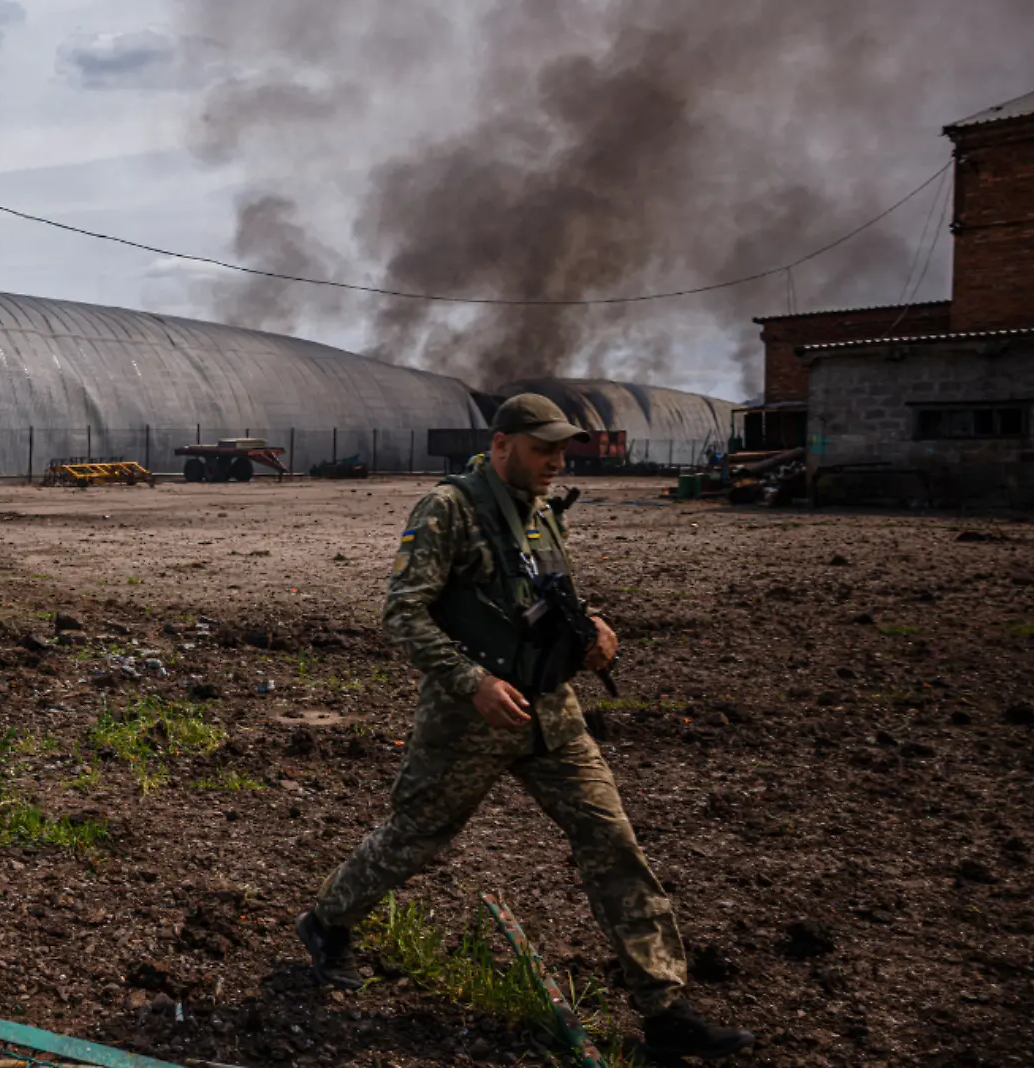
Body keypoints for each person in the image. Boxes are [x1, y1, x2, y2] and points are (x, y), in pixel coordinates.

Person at [295, 394, 753, 1061]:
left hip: (552, 713)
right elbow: (401, 614)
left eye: (562, 450)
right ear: (503, 444)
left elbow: (549, 598)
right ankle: (327, 921)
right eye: (544, 449)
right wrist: (471, 682)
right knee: (414, 835)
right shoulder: (448, 509)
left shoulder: (542, 513)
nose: (557, 461)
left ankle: (664, 1008)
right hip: (469, 717)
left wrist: (595, 631)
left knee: (611, 840)